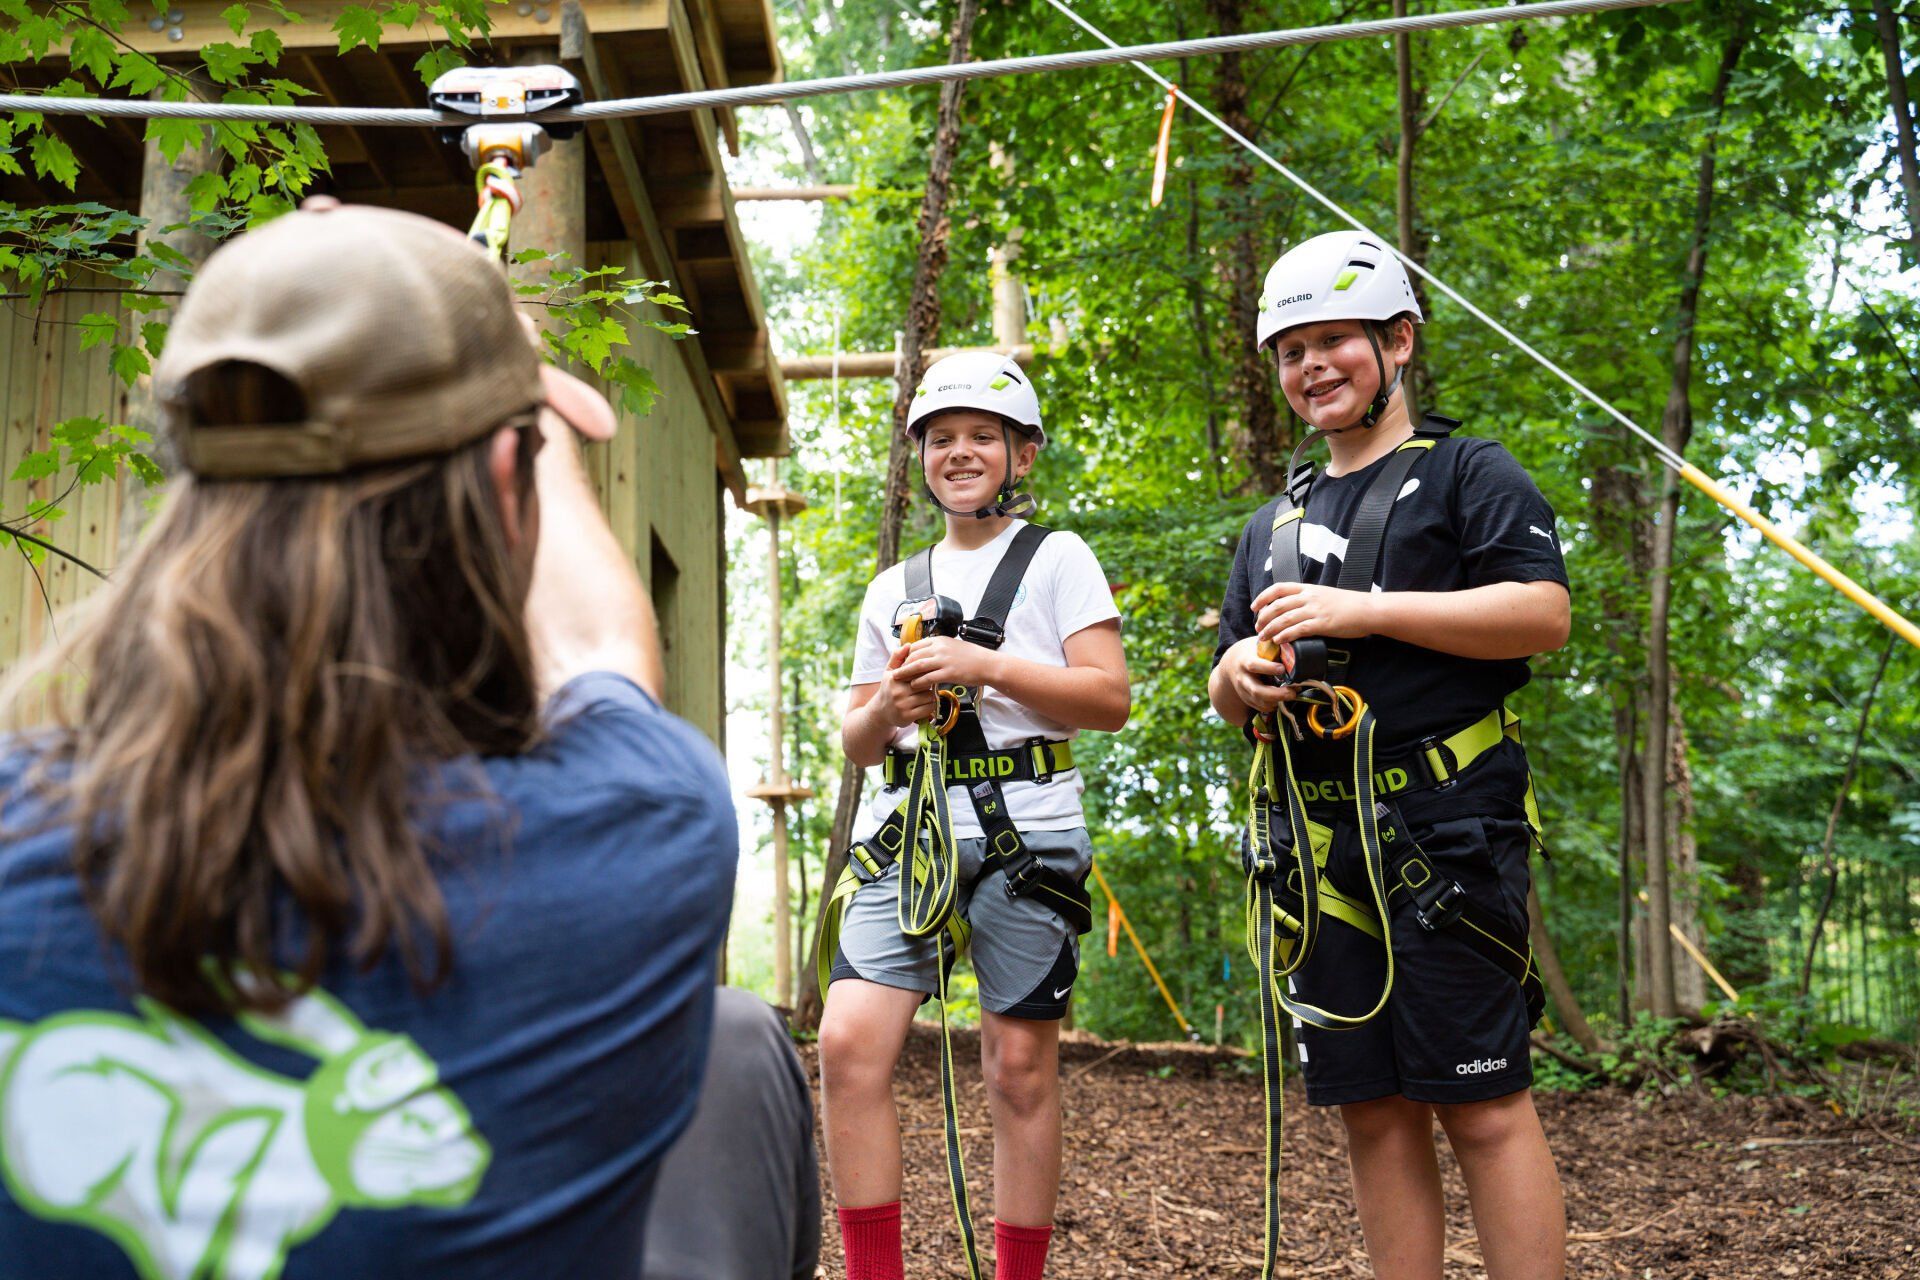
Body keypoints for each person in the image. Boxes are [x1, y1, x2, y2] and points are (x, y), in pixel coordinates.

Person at [0, 202, 811, 1280]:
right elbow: (598, 647)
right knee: (739, 1045)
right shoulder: (636, 835)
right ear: (504, 484)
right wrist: (503, 357)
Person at [1208, 230, 1572, 1280]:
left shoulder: (1470, 472)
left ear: (1398, 340)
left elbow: (1541, 613)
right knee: (1371, 1108)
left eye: (1335, 341)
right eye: (1291, 350)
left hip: (1448, 826)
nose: (1312, 366)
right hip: (1319, 848)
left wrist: (1367, 608)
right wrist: (1236, 679)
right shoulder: (1271, 525)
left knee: (1483, 1102)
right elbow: (1229, 679)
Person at [816, 352, 1130, 1280]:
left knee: (1018, 1070)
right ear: (921, 458)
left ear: (1020, 455)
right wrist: (888, 710)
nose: (959, 454)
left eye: (980, 438)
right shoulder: (892, 588)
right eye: (941, 439)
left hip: (1024, 831)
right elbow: (860, 743)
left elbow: (1107, 700)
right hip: (909, 830)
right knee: (846, 1043)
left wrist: (981, 666)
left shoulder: (1059, 558)